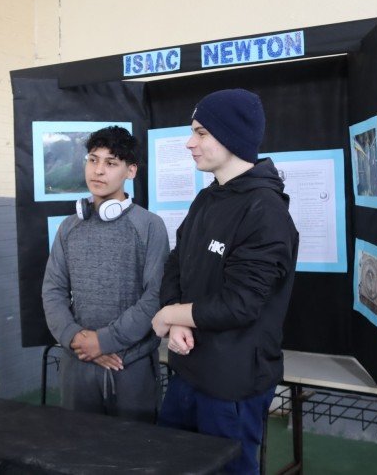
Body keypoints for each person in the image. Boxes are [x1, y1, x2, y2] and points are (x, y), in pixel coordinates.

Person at [151, 89, 299, 474]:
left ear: (231, 136)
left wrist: (169, 314)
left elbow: (241, 303)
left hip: (232, 384)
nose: (190, 143)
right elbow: (176, 263)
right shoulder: (208, 198)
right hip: (187, 371)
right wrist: (178, 317)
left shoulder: (265, 211)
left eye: (200, 133)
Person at [42, 126, 170, 422]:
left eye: (111, 163)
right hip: (79, 361)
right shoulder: (69, 228)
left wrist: (104, 341)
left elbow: (155, 296)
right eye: (93, 160)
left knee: (134, 457)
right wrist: (76, 338)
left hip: (130, 365)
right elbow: (53, 290)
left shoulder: (150, 226)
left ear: (131, 171)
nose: (98, 171)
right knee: (79, 455)